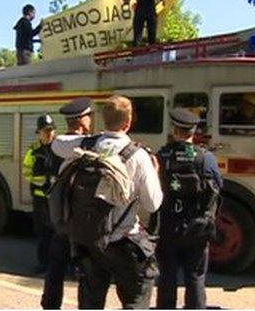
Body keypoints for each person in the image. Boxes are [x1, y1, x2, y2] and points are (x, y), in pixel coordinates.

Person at [51, 95, 163, 309]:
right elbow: (153, 204)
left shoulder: (86, 145)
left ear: (103, 120)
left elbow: (56, 144)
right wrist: (154, 173)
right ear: (128, 122)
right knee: (136, 298)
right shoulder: (138, 156)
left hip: (90, 240)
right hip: (124, 242)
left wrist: (88, 138)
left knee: (91, 302)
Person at [156, 108, 223, 309]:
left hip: (168, 225)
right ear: (193, 131)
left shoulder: (163, 155)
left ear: (174, 130)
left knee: (167, 276)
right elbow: (218, 186)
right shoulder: (205, 158)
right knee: (195, 276)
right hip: (197, 226)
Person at [41, 98, 93, 309]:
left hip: (61, 217)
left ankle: (50, 305)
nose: (91, 119)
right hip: (81, 218)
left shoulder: (57, 145)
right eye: (89, 116)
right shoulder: (81, 145)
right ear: (81, 120)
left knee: (56, 267)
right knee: (86, 270)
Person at [23, 114, 61, 273]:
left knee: (57, 233)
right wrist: (41, 182)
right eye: (46, 130)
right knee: (42, 233)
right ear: (39, 132)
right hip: (39, 198)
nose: (49, 133)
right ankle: (43, 263)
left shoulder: (60, 150)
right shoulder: (33, 151)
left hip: (55, 199)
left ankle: (58, 264)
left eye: (51, 130)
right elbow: (27, 173)